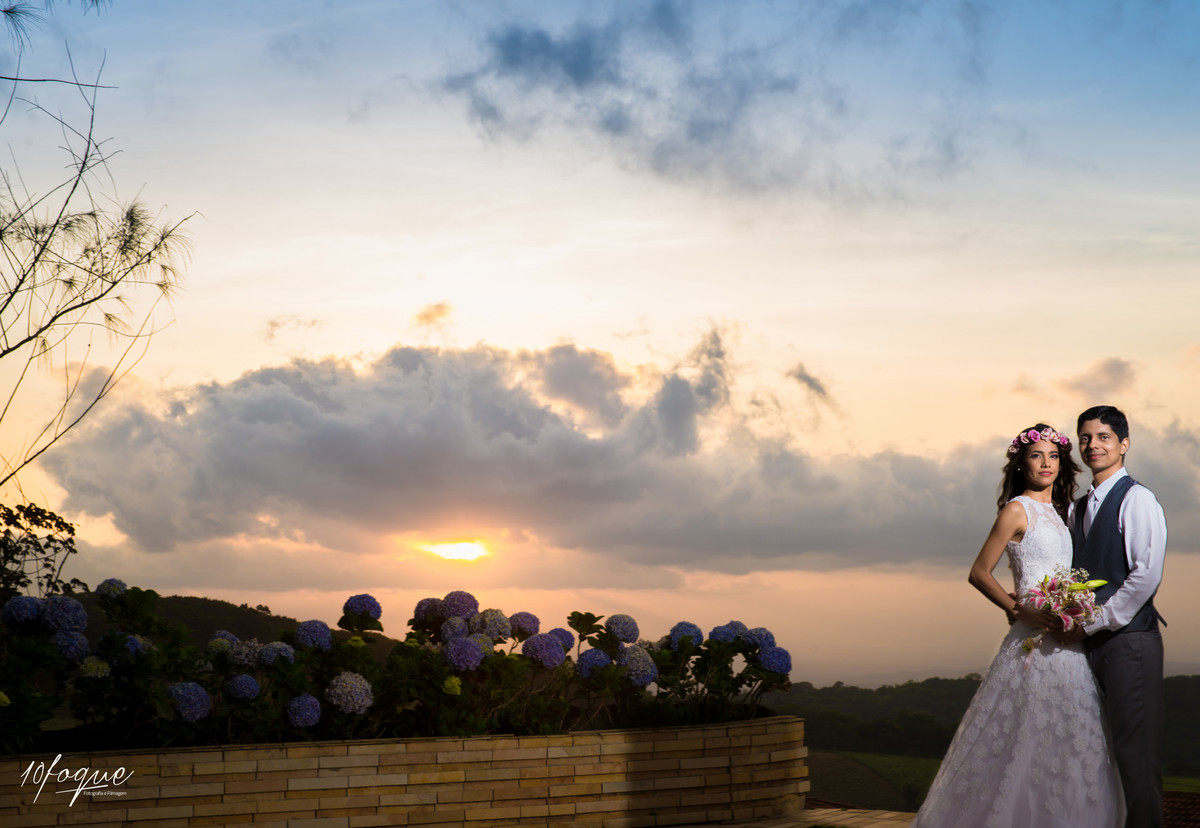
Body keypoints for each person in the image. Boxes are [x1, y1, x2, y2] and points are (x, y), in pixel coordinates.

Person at [910, 424, 1124, 828]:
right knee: (1023, 739)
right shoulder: (1016, 509)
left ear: (1062, 464)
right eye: (1036, 455)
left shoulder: (1062, 515)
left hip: (1066, 642)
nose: (1046, 463)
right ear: (1021, 464)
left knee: (1072, 738)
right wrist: (1019, 609)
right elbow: (979, 572)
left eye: (1054, 456)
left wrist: (1074, 607)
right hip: (1031, 642)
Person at [1055, 405, 1166, 828]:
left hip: (1130, 644)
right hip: (1085, 647)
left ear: (1123, 444)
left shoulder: (1138, 499)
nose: (1093, 445)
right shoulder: (1077, 509)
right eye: (1085, 438)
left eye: (1103, 437)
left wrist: (1096, 620)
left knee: (1135, 754)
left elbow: (1145, 574)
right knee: (1090, 749)